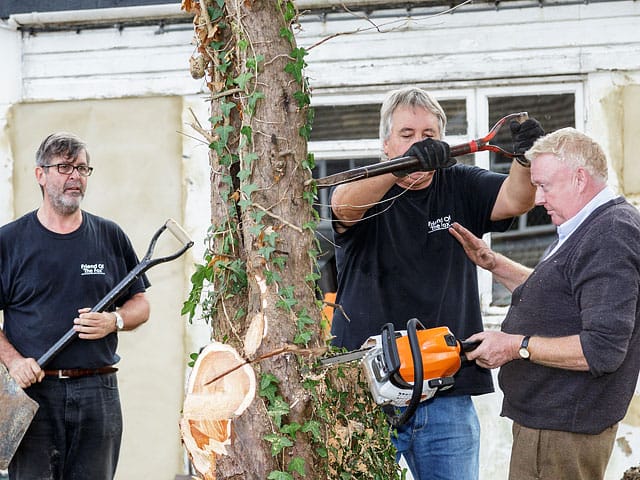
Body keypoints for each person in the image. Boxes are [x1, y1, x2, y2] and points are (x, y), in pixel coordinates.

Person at [329, 86, 543, 480]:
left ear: (442, 141)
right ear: (386, 143)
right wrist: (400, 168)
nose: (418, 143)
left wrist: (526, 161)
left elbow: (516, 199)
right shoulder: (365, 188)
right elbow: (342, 206)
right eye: (407, 135)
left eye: (428, 135)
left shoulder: (458, 183)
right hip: (366, 392)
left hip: (446, 388)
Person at [450, 127, 640, 480]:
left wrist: (515, 347)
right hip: (554, 428)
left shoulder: (610, 234)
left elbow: (602, 349)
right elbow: (563, 296)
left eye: (544, 185)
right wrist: (494, 263)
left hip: (562, 433)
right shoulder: (587, 226)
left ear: (579, 178)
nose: (537, 199)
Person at [0, 132, 151, 480]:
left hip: (98, 392)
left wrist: (115, 321)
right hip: (34, 395)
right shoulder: (10, 242)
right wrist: (13, 362)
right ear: (40, 174)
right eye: (64, 167)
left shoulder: (109, 236)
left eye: (82, 168)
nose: (75, 176)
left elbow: (140, 303)